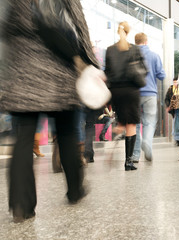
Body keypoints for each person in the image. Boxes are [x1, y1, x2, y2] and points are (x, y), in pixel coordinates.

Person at [0, 0, 97, 222]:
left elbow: (6, 29)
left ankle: (20, 204)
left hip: (23, 72)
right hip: (59, 72)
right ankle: (75, 190)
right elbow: (79, 26)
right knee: (67, 133)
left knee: (23, 137)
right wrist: (89, 63)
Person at [105, 22, 147, 171]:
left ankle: (118, 130)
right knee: (132, 125)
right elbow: (144, 70)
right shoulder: (134, 49)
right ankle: (128, 162)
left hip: (116, 92)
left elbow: (108, 74)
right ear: (128, 32)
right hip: (131, 91)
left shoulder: (110, 50)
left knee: (122, 121)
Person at [132, 33, 166, 162]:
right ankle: (147, 141)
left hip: (134, 94)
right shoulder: (154, 56)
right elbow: (162, 76)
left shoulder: (131, 55)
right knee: (149, 122)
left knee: (134, 125)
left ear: (136, 42)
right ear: (146, 42)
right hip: (150, 93)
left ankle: (135, 155)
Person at [164, 78, 179, 146]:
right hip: (174, 110)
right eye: (174, 82)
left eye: (176, 82)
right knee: (176, 124)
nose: (175, 84)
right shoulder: (171, 89)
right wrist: (168, 106)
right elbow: (166, 98)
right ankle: (177, 139)